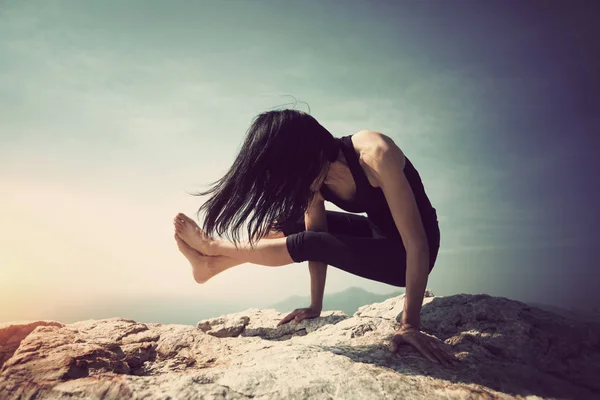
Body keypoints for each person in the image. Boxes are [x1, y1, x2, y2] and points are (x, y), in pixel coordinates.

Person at [173, 109, 460, 367]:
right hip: (377, 234)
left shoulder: (374, 154)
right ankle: (211, 266)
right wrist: (315, 305)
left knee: (308, 240)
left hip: (408, 255)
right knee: (283, 226)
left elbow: (416, 243)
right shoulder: (313, 179)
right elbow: (317, 238)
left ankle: (212, 247)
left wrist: (410, 324)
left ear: (308, 153)